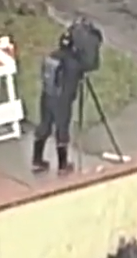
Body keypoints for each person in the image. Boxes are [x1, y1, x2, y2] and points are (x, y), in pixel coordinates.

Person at [31, 29, 85, 173]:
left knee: (44, 126)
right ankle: (62, 166)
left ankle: (37, 161)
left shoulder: (51, 57)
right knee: (62, 130)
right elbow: (74, 83)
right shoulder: (73, 63)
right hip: (61, 100)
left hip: (46, 96)